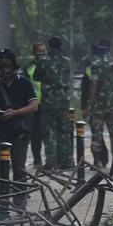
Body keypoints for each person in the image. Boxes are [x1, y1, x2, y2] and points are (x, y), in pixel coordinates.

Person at [0, 49, 38, 218]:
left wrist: (15, 112)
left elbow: (34, 106)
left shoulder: (24, 84)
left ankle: (19, 208)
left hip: (19, 134)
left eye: (8, 63)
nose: (5, 68)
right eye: (1, 64)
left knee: (19, 171)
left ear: (14, 66)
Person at [84, 40, 113, 169]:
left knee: (97, 133)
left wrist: (89, 103)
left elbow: (93, 84)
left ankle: (98, 161)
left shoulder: (96, 64)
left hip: (98, 104)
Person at [34, 36, 73, 170]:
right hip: (64, 101)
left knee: (49, 132)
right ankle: (67, 161)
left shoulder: (44, 61)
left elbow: (36, 77)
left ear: (49, 47)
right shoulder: (66, 61)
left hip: (49, 102)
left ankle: (51, 162)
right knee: (64, 131)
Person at [24, 43, 48, 166]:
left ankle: (51, 160)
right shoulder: (29, 67)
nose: (42, 53)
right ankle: (37, 160)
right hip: (35, 106)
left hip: (49, 105)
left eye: (44, 50)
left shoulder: (51, 64)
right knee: (35, 134)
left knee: (49, 133)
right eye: (39, 51)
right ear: (35, 52)